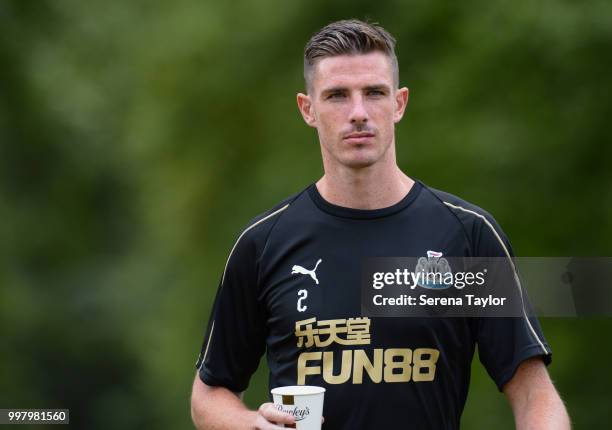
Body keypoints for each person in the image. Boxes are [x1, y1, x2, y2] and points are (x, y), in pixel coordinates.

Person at [190, 19, 570, 429]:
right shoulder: (264, 243)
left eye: (374, 93)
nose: (358, 113)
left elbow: (534, 394)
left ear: (399, 103)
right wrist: (252, 426)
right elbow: (209, 393)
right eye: (337, 95)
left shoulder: (466, 235)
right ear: (308, 109)